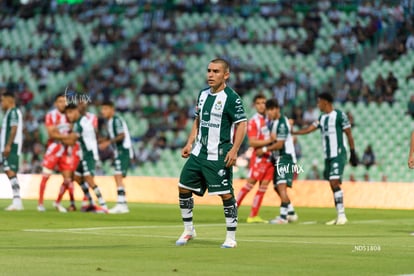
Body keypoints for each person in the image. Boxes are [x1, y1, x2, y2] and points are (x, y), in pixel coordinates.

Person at [175, 58, 247, 248]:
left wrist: (234, 149)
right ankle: (189, 230)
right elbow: (197, 121)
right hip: (199, 153)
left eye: (216, 71)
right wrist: (189, 143)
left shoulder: (232, 98)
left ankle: (231, 237)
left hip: (219, 155)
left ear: (226, 75)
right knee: (183, 187)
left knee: (225, 195)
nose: (210, 75)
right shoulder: (202, 95)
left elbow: (242, 124)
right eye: (209, 71)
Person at [292, 92, 358, 225]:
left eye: (319, 102)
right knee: (332, 184)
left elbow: (349, 134)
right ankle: (339, 215)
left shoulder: (340, 115)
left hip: (338, 154)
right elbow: (309, 129)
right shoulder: (322, 118)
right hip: (328, 156)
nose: (318, 104)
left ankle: (342, 215)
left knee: (334, 181)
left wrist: (353, 152)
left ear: (325, 102)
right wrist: (294, 132)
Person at [257, 99, 298, 224]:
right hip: (279, 159)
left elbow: (280, 144)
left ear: (277, 109)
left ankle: (283, 217)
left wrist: (264, 149)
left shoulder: (281, 123)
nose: (269, 112)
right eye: (268, 110)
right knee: (277, 187)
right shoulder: (275, 122)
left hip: (285, 158)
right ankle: (290, 212)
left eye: (271, 110)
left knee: (281, 187)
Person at [37, 93, 78, 212]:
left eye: (64, 101)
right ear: (56, 103)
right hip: (53, 149)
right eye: (60, 101)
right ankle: (40, 203)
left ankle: (58, 202)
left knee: (68, 179)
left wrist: (60, 135)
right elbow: (51, 134)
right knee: (46, 176)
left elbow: (72, 136)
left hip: (65, 151)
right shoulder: (51, 115)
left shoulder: (69, 115)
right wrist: (66, 137)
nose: (63, 103)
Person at [64, 104, 108, 213]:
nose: (68, 116)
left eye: (70, 113)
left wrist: (56, 137)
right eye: (67, 113)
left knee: (89, 179)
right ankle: (91, 202)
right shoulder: (82, 121)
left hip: (89, 154)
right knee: (77, 178)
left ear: (75, 111)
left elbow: (71, 141)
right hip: (83, 154)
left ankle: (103, 205)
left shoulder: (79, 123)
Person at [236, 94, 273, 223]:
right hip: (259, 158)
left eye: (264, 102)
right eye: (258, 103)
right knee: (250, 184)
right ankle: (232, 210)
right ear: (254, 105)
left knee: (263, 187)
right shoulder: (253, 121)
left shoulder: (271, 119)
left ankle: (253, 215)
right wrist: (269, 141)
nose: (262, 105)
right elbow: (252, 142)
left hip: (270, 158)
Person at [99, 101, 134, 214]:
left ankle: (121, 204)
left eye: (105, 109)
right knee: (117, 176)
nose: (102, 111)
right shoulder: (110, 122)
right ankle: (122, 203)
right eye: (102, 109)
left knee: (118, 176)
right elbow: (113, 136)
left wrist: (108, 142)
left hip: (123, 150)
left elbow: (121, 135)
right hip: (119, 151)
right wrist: (104, 140)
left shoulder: (116, 120)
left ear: (112, 109)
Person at [1, 92, 24, 211]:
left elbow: (14, 129)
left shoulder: (14, 112)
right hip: (6, 147)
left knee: (10, 171)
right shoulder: (9, 113)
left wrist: (8, 145)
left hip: (12, 147)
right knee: (8, 171)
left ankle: (17, 201)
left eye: (2, 101)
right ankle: (17, 200)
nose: (1, 103)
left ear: (9, 100)